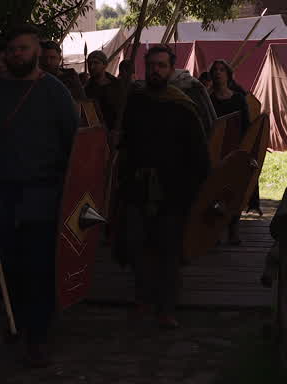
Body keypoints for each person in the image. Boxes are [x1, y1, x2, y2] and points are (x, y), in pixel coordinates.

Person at [0, 25, 78, 367]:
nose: (18, 54)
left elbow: (75, 145)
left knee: (38, 269)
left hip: (43, 195)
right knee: (6, 267)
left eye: (24, 48)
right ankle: (15, 321)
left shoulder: (55, 93)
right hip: (1, 194)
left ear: (36, 52)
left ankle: (37, 336)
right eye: (13, 49)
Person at [116, 44, 210, 329]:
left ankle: (166, 308)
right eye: (152, 65)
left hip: (173, 190)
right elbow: (124, 145)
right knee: (138, 247)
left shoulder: (183, 106)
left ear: (171, 69)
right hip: (137, 187)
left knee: (169, 250)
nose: (156, 70)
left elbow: (199, 154)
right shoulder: (133, 102)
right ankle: (143, 301)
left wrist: (192, 192)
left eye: (162, 66)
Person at [209, 59, 260, 236]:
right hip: (216, 149)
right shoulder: (209, 99)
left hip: (235, 147)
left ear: (228, 74)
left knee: (234, 188)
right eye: (215, 70)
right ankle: (215, 229)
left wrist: (246, 149)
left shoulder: (238, 98)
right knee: (216, 189)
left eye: (222, 70)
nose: (218, 73)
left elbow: (246, 126)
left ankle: (233, 226)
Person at [84, 50, 125, 128]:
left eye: (96, 63)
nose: (91, 67)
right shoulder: (86, 89)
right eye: (89, 63)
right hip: (97, 132)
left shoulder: (118, 85)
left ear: (105, 65)